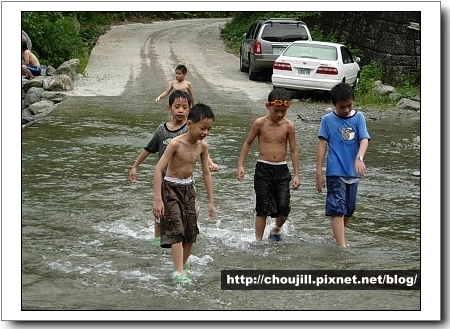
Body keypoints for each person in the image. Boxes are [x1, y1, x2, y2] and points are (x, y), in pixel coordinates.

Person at [129, 90, 218, 244]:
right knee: (160, 214)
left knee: (191, 211)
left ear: (189, 110)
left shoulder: (190, 128)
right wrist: (135, 166)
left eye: (185, 107)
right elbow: (149, 149)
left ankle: (188, 233)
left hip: (186, 182)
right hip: (165, 180)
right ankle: (158, 240)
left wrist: (210, 162)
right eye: (177, 106)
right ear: (169, 108)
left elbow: (200, 147)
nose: (181, 110)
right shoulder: (162, 130)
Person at [152, 103, 216, 283]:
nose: (205, 132)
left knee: (191, 232)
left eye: (209, 129)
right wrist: (158, 199)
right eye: (202, 128)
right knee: (177, 230)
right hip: (171, 188)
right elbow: (158, 170)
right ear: (189, 124)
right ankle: (179, 272)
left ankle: (182, 265)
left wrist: (211, 201)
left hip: (189, 189)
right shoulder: (175, 143)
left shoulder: (202, 147)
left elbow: (205, 173)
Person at [237, 88, 300, 242]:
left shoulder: (289, 126)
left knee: (283, 207)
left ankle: (276, 229)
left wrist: (297, 174)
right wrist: (240, 165)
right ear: (268, 106)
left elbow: (293, 150)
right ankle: (258, 241)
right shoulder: (260, 123)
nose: (279, 114)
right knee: (262, 208)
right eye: (276, 110)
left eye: (283, 111)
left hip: (281, 169)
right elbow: (248, 143)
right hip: (263, 169)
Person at [315, 82, 370, 248]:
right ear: (333, 104)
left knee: (349, 210)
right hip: (335, 172)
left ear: (353, 101)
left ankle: (334, 238)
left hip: (353, 172)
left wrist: (359, 158)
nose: (346, 110)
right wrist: (318, 172)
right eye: (341, 107)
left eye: (349, 105)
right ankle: (342, 247)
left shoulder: (359, 117)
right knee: (338, 209)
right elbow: (322, 146)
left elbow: (364, 140)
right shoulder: (327, 120)